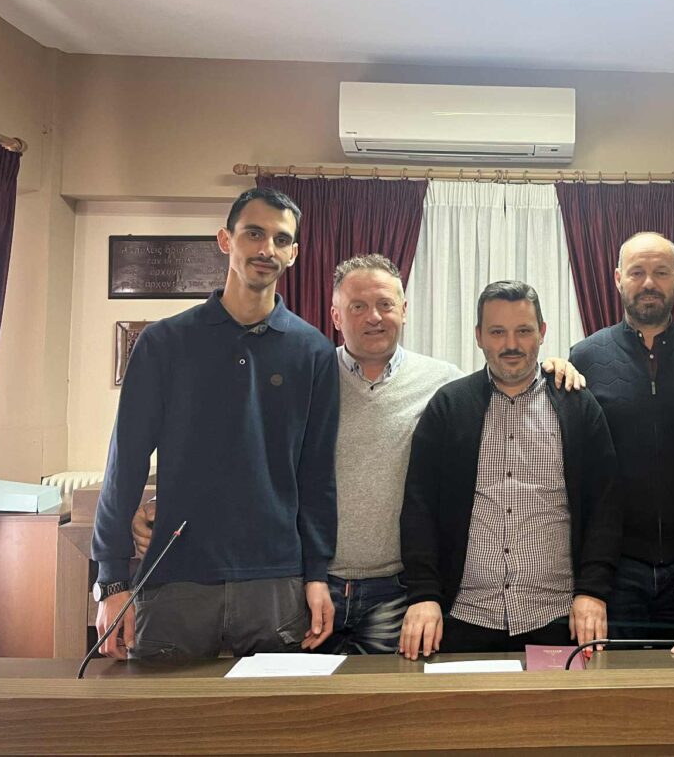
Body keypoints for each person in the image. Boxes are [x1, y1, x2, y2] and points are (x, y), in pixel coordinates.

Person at [131, 253, 586, 655]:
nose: (374, 317)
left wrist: (556, 367)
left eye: (386, 304)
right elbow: (246, 456)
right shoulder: (306, 374)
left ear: (404, 310)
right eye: (358, 306)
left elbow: (507, 376)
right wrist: (165, 504)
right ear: (335, 315)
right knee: (308, 711)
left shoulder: (444, 385)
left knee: (387, 712)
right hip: (309, 584)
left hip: (397, 590)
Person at [92, 187, 339, 660]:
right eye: (254, 233)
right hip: (176, 577)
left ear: (293, 253)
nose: (267, 249)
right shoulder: (164, 343)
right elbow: (125, 464)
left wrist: (316, 575)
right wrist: (112, 579)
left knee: (274, 710)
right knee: (162, 708)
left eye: (280, 239)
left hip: (275, 581)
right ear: (226, 240)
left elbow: (317, 477)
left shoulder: (314, 353)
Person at [398, 281, 620, 658]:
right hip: (463, 615)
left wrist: (592, 591)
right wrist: (424, 595)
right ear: (478, 336)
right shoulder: (449, 406)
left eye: (524, 331)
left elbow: (605, 506)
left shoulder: (577, 406)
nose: (511, 344)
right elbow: (419, 506)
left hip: (557, 617)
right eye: (497, 332)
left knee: (560, 702)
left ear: (543, 332)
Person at [569, 232, 674, 639]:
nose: (648, 283)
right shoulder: (585, 356)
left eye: (660, 272)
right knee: (612, 676)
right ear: (618, 279)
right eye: (637, 272)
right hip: (615, 569)